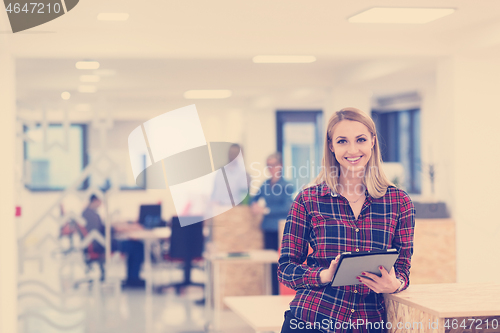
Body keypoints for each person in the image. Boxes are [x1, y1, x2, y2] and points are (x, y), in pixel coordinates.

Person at [278, 107, 415, 333]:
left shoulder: (399, 202)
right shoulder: (308, 199)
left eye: (360, 139)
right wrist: (324, 275)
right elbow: (286, 268)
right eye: (342, 141)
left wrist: (395, 284)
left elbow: (403, 268)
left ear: (372, 141)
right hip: (311, 320)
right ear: (331, 146)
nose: (353, 149)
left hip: (367, 323)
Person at [251, 152, 294, 295]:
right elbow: (254, 197)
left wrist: (266, 210)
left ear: (280, 166)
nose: (271, 168)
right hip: (267, 228)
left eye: (273, 165)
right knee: (269, 263)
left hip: (280, 229)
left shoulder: (286, 185)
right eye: (268, 165)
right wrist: (255, 205)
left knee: (279, 262)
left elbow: (287, 207)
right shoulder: (265, 183)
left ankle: (279, 292)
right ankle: (270, 292)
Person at [81, 194, 145, 287]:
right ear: (95, 200)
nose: (101, 204)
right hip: (103, 245)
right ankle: (133, 279)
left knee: (134, 244)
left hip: (101, 243)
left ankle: (132, 278)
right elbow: (102, 230)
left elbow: (101, 228)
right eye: (100, 201)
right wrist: (121, 228)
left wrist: (120, 227)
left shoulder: (88, 213)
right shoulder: (91, 214)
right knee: (137, 246)